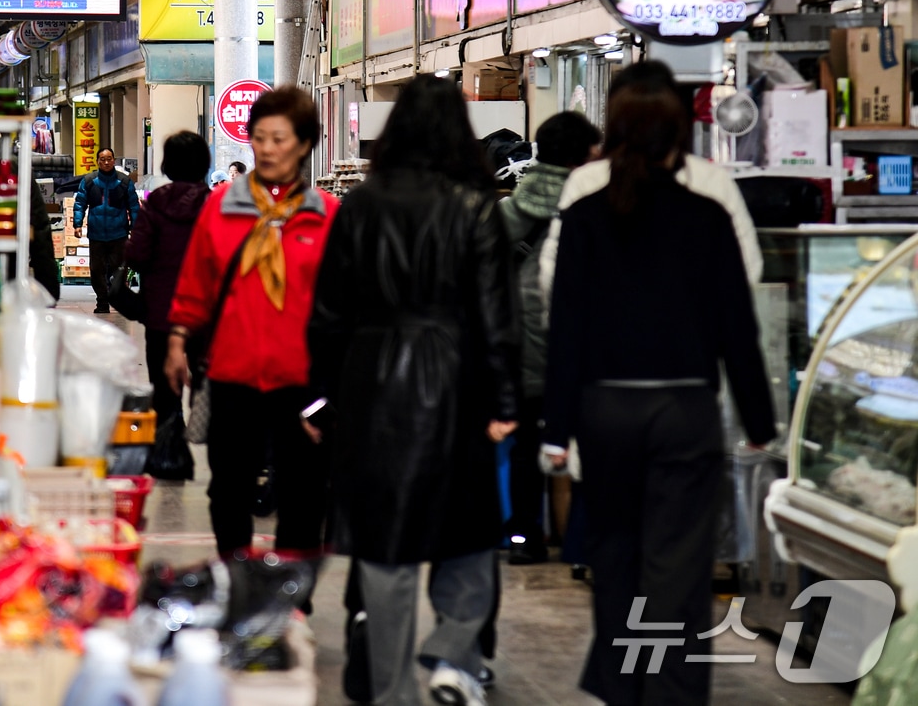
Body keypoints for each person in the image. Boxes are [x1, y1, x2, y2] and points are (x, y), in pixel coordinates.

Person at [541, 67, 775, 706]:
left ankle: (621, 688)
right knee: (677, 564)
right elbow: (738, 324)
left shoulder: (586, 209)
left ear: (611, 131)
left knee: (615, 557)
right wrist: (759, 423)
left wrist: (556, 429)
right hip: (684, 408)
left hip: (605, 409)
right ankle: (671, 693)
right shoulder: (707, 211)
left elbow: (565, 324)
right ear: (681, 129)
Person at [307, 75, 521, 706]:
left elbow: (328, 311)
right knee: (468, 533)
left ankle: (392, 689)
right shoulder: (478, 204)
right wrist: (506, 402)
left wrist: (319, 396)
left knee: (386, 544)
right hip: (458, 384)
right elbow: (496, 316)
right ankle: (453, 654)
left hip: (372, 385)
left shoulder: (361, 205)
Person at [166, 86, 338, 557]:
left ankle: (290, 605)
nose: (266, 148)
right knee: (228, 491)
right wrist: (178, 340)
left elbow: (344, 305)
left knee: (304, 494)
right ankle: (236, 585)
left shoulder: (327, 217)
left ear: (304, 144)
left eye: (279, 138)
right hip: (232, 375)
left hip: (301, 381)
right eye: (259, 137)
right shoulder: (221, 208)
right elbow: (196, 283)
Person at [539, 62, 763, 303]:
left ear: (613, 121)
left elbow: (554, 273)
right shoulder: (712, 182)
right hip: (691, 335)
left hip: (606, 335)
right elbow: (747, 269)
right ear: (677, 120)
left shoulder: (586, 182)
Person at [498, 112, 602, 565]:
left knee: (522, 442)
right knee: (582, 441)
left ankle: (525, 536)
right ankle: (578, 540)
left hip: (518, 337)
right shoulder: (595, 203)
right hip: (574, 340)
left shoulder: (511, 205)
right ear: (585, 154)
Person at [125, 131, 211, 476]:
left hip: (161, 311)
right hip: (205, 312)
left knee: (164, 385)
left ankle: (168, 453)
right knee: (204, 376)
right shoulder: (215, 203)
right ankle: (204, 437)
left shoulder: (156, 202)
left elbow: (137, 254)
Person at [74, 148, 140, 314]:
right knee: (96, 270)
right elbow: (80, 203)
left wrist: (136, 227)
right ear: (97, 161)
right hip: (96, 234)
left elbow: (134, 206)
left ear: (114, 160)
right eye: (102, 159)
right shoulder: (89, 181)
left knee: (118, 271)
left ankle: (118, 299)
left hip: (119, 234)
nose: (106, 162)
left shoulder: (124, 182)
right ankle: (102, 302)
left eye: (109, 159)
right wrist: (77, 224)